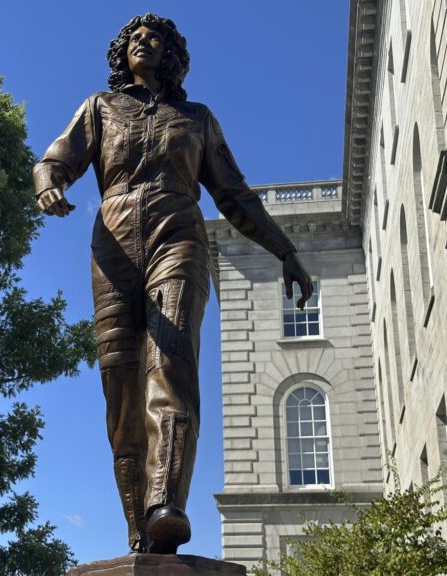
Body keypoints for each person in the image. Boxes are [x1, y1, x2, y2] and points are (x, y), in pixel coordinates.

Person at [33, 13, 313, 554]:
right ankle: (138, 525)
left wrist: (286, 250)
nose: (144, 42)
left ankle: (167, 504)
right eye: (135, 38)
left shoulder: (197, 119)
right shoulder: (100, 108)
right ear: (124, 52)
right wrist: (49, 182)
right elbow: (56, 157)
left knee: (170, 362)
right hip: (112, 248)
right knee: (121, 386)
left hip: (177, 237)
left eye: (155, 38)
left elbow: (235, 194)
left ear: (171, 54)